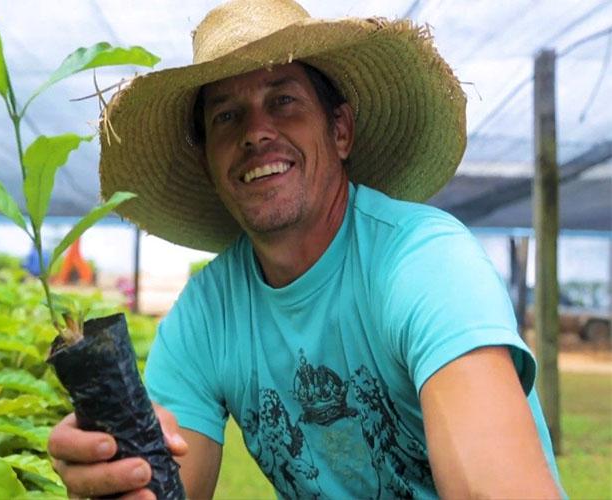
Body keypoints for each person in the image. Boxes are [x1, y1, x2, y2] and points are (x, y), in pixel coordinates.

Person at [49, 0, 564, 498]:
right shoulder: (208, 315)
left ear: (340, 130)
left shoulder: (424, 262)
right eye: (226, 117)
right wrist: (117, 471)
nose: (256, 132)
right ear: (209, 162)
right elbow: (166, 487)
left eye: (283, 101)